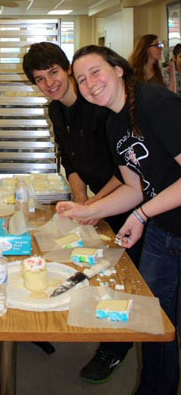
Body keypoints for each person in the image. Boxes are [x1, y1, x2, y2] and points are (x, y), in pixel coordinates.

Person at [57, 44, 181, 395]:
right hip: (162, 230)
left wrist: (141, 215)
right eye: (81, 80)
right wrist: (87, 211)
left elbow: (142, 202)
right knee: (155, 323)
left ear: (119, 69)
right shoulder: (113, 122)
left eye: (95, 72)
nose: (90, 83)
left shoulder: (157, 104)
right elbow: (134, 187)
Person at [23, 42, 139, 383]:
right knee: (90, 262)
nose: (49, 83)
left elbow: (124, 171)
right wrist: (80, 200)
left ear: (67, 69)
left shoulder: (100, 105)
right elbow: (69, 158)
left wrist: (94, 206)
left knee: (126, 276)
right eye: (40, 79)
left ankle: (115, 349)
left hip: (126, 199)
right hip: (99, 201)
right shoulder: (56, 110)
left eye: (54, 73)